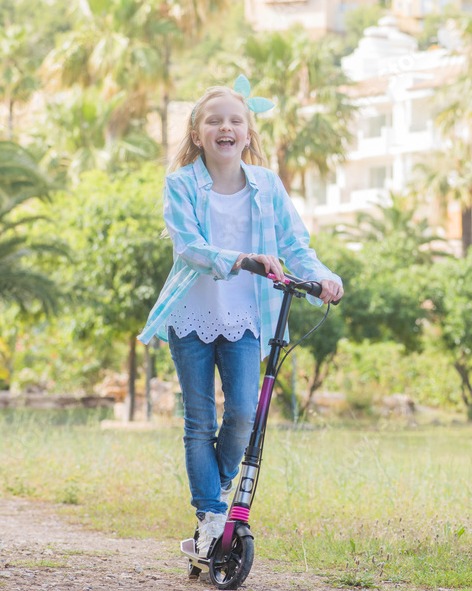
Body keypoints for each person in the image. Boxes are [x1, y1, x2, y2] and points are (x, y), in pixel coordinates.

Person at [138, 80, 343, 558]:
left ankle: (214, 493)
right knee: (198, 421)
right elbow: (189, 247)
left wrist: (323, 276)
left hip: (247, 318)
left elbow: (294, 245)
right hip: (191, 316)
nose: (224, 127)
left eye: (234, 120)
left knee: (244, 415)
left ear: (248, 133)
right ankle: (211, 517)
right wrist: (245, 258)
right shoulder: (181, 184)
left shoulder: (267, 185)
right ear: (196, 134)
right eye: (213, 120)